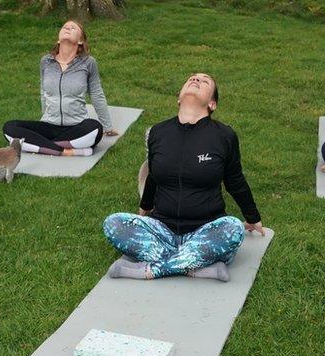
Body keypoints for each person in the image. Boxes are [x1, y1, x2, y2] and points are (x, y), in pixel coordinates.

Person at [103, 73, 266, 282]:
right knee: (113, 224)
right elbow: (153, 175)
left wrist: (252, 217)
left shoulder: (224, 136)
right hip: (162, 227)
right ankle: (196, 267)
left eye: (204, 81)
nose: (196, 80)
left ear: (212, 104)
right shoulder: (158, 132)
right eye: (192, 78)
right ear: (179, 98)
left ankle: (149, 270)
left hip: (206, 228)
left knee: (233, 229)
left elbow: (234, 179)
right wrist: (145, 208)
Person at [2, 20, 119, 157]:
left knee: (95, 128)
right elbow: (43, 92)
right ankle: (67, 150)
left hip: (76, 126)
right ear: (58, 39)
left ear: (80, 41)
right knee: (9, 127)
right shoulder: (46, 61)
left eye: (73, 28)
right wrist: (44, 118)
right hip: (49, 125)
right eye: (65, 27)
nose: (68, 28)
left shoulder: (88, 63)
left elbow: (96, 93)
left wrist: (108, 126)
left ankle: (39, 145)